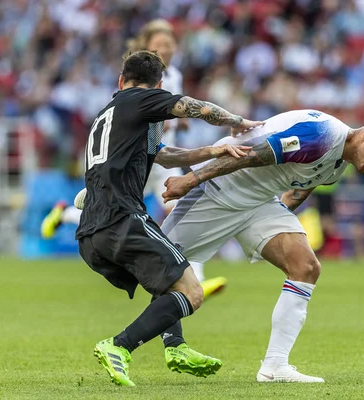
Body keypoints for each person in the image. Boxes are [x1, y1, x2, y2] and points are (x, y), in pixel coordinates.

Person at [160, 110, 364, 383]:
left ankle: (274, 366)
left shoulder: (340, 163)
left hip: (259, 203)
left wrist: (277, 232)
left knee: (305, 266)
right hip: (221, 190)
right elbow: (250, 153)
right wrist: (190, 179)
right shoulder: (321, 136)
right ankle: (124, 343)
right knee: (155, 262)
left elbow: (296, 192)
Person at [78, 49, 263, 387]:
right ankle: (119, 345)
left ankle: (174, 345)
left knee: (170, 281)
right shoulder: (140, 100)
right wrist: (238, 123)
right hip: (122, 219)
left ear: (120, 80)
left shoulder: (110, 115)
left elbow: (162, 156)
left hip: (92, 234)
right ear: (158, 86)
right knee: (192, 292)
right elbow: (199, 107)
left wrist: (213, 150)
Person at [41, 19, 228, 298]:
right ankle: (68, 214)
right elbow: (142, 112)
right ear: (146, 46)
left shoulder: (172, 75)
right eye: (158, 45)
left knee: (175, 210)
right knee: (123, 212)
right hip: (138, 156)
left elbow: (165, 117)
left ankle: (193, 278)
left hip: (160, 152)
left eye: (169, 44)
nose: (164, 49)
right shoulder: (137, 81)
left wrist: (183, 128)